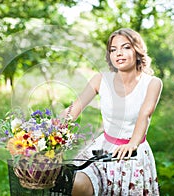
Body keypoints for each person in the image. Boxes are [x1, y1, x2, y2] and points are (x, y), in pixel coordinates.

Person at [61, 28, 162, 195]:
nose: (119, 53)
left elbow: (145, 116)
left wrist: (132, 143)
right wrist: (47, 129)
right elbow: (74, 108)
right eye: (113, 50)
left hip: (132, 154)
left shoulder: (152, 83)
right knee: (76, 184)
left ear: (137, 50)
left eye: (126, 47)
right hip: (101, 150)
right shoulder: (100, 79)